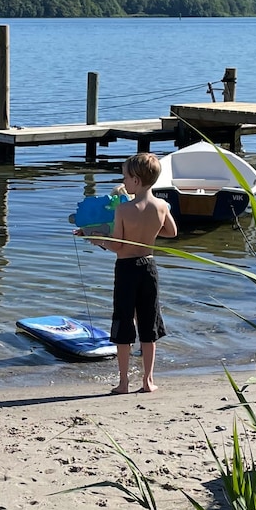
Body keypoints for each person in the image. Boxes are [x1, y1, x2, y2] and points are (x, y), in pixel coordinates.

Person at [79, 152, 178, 394]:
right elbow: (172, 232)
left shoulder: (124, 210)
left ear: (135, 181)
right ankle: (148, 381)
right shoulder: (162, 206)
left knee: (124, 324)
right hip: (149, 268)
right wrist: (150, 233)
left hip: (126, 269)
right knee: (148, 325)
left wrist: (95, 239)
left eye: (125, 177)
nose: (123, 181)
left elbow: (118, 245)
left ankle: (123, 383)